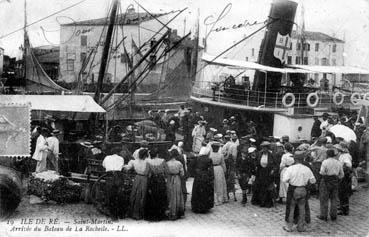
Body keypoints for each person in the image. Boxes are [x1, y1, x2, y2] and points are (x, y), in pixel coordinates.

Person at [282, 151, 316, 232]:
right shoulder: (306, 168)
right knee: (302, 208)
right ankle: (301, 227)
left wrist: (292, 180)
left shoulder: (290, 168)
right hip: (303, 189)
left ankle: (289, 227)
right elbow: (313, 181)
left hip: (293, 189)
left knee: (291, 208)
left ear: (294, 159)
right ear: (303, 159)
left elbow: (284, 179)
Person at [317, 148, 344, 221]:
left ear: (327, 154)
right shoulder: (338, 162)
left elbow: (322, 172)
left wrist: (326, 175)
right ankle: (333, 215)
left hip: (326, 181)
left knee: (324, 199)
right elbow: (342, 174)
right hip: (335, 181)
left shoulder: (325, 162)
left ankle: (323, 215)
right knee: (334, 199)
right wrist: (336, 178)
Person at [125, 149, 150, 220]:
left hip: (137, 178)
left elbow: (127, 167)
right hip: (145, 178)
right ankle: (140, 213)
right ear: (145, 155)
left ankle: (133, 212)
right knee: (143, 194)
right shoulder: (148, 162)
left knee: (135, 194)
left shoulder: (134, 161)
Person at [251, 141, 277, 208]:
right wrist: (256, 167)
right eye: (263, 148)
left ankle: (267, 202)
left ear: (268, 148)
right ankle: (261, 201)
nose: (264, 149)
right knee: (260, 187)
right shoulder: (259, 154)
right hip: (261, 172)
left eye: (265, 148)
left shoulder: (271, 155)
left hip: (268, 172)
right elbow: (256, 162)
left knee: (267, 187)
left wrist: (273, 170)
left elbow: (275, 164)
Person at [102, 147, 125, 220]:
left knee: (111, 195)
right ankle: (121, 214)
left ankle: (113, 216)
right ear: (118, 153)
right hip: (118, 176)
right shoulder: (121, 158)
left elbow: (104, 165)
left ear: (111, 152)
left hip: (110, 176)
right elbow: (122, 166)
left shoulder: (107, 157)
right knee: (120, 195)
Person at [145, 148, 168, 221]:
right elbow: (167, 171)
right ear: (157, 154)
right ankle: (161, 214)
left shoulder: (149, 162)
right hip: (161, 179)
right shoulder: (163, 161)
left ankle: (153, 214)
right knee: (161, 195)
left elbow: (146, 172)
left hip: (153, 179)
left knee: (153, 196)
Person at [191, 147, 214, 213]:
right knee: (205, 191)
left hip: (198, 176)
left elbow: (191, 167)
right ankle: (204, 207)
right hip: (205, 177)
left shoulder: (196, 158)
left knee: (197, 191)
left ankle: (196, 207)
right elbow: (211, 170)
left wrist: (194, 173)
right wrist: (211, 177)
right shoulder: (209, 159)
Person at [166, 149, 185, 220]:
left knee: (170, 194)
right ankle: (177, 211)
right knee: (177, 194)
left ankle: (170, 211)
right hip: (177, 179)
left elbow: (166, 173)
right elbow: (182, 174)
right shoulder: (179, 163)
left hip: (169, 179)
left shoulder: (167, 163)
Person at [335, 142, 352, 216]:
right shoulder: (342, 155)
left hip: (344, 176)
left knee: (343, 192)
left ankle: (344, 209)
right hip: (342, 175)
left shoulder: (346, 156)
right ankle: (342, 207)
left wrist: (342, 168)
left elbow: (348, 165)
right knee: (340, 192)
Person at [224, 134, 238, 201]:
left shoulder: (228, 144)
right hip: (232, 163)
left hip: (228, 162)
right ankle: (232, 193)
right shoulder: (234, 145)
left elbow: (226, 153)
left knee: (228, 178)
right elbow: (234, 155)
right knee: (231, 179)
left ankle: (228, 194)